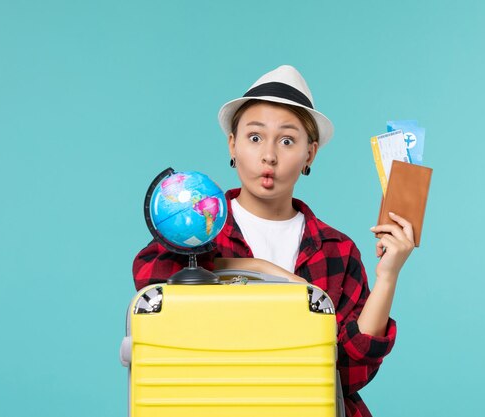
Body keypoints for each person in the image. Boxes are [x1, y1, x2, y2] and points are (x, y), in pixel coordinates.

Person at [132, 65, 415, 417]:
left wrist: (388, 275)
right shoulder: (198, 227)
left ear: (309, 154)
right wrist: (261, 270)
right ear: (232, 144)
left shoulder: (336, 251)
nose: (269, 155)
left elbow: (348, 373)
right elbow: (154, 283)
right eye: (254, 137)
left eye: (287, 140)